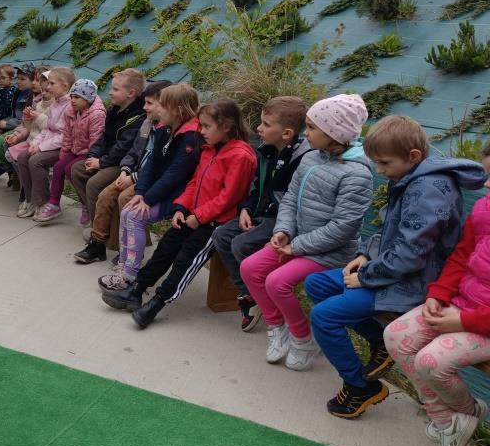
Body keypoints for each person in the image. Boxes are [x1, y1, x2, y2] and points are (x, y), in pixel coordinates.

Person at [307, 115, 485, 419]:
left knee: (324, 316)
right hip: (392, 273)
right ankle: (379, 342)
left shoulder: (429, 190)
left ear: (413, 156)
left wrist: (366, 276)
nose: (379, 170)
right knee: (317, 284)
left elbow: (409, 255)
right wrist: (366, 254)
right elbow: (392, 229)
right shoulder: (409, 177)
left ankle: (359, 386)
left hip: (415, 283)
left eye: (384, 163)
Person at [239, 94, 372, 371]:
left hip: (331, 252)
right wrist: (284, 231)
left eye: (311, 127)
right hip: (297, 241)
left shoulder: (357, 174)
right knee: (250, 268)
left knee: (277, 282)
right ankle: (277, 327)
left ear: (334, 133)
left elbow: (342, 228)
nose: (306, 133)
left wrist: (296, 247)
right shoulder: (311, 158)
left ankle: (303, 339)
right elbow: (289, 199)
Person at [101, 98, 256, 328]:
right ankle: (137, 290)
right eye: (201, 125)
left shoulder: (241, 156)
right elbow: (194, 183)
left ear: (226, 126)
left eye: (206, 126)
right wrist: (181, 207)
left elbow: (229, 197)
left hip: (214, 223)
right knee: (165, 249)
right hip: (192, 214)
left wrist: (199, 217)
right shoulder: (209, 149)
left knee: (185, 262)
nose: (201, 131)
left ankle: (157, 303)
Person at [384, 142, 490, 446]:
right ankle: (446, 421)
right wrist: (439, 294)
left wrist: (464, 321)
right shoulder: (484, 208)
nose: (487, 184)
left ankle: (468, 412)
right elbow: (462, 255)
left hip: (481, 322)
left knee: (432, 362)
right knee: (395, 335)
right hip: (459, 304)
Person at [212, 96, 311, 332]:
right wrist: (246, 209)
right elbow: (258, 187)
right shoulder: (268, 152)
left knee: (240, 244)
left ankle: (261, 295)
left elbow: (293, 205)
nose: (258, 128)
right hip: (262, 213)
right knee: (222, 235)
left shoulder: (303, 161)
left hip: (284, 222)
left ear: (286, 133)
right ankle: (250, 294)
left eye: (266, 124)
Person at [94, 83, 201, 291]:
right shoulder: (164, 128)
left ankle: (129, 275)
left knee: (135, 216)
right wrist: (141, 192)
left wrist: (148, 199)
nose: (158, 110)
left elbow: (175, 174)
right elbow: (151, 162)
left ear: (178, 111)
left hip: (178, 196)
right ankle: (124, 265)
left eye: (163, 106)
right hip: (158, 191)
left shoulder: (191, 136)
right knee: (128, 211)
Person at [75, 79, 172, 268]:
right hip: (132, 172)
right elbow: (133, 151)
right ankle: (97, 244)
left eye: (149, 103)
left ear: (165, 105)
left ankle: (127, 249)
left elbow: (157, 165)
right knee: (105, 195)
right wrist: (125, 170)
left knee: (124, 198)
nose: (144, 107)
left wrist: (131, 177)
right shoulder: (147, 123)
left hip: (147, 178)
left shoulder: (166, 131)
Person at [69, 68, 146, 236]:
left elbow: (124, 147)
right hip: (108, 158)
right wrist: (93, 156)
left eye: (115, 89)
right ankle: (94, 214)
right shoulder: (115, 109)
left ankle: (98, 228)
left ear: (131, 93)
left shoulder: (139, 116)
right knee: (77, 169)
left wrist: (101, 162)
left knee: (94, 183)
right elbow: (103, 137)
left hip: (122, 164)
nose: (110, 92)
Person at [33, 79, 106, 224]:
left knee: (70, 169)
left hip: (89, 152)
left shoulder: (97, 114)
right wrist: (65, 154)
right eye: (72, 96)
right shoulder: (71, 111)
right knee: (59, 167)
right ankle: (54, 204)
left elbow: (96, 139)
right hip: (75, 149)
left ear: (88, 98)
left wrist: (91, 158)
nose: (72, 100)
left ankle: (85, 204)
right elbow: (67, 135)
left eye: (77, 97)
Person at [15, 67, 75, 218]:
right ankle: (30, 199)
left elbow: (64, 135)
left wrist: (41, 147)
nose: (47, 87)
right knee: (23, 157)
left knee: (35, 161)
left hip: (63, 147)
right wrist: (35, 143)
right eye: (48, 83)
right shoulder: (56, 104)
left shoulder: (69, 106)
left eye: (52, 83)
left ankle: (43, 202)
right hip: (49, 143)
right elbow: (47, 128)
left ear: (65, 86)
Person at [0, 65, 35, 183]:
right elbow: (12, 114)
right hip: (11, 124)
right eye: (18, 78)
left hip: (22, 128)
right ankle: (4, 168)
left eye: (22, 79)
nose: (18, 81)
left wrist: (5, 123)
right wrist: (1, 123)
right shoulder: (18, 93)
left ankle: (6, 169)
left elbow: (22, 119)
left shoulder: (26, 95)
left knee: (1, 141)